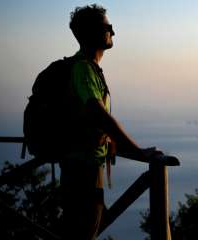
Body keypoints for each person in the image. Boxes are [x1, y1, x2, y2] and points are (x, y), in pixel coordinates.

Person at [60, 4, 160, 240]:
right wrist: (135, 150)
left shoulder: (89, 68)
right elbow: (99, 115)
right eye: (108, 27)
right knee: (83, 233)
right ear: (92, 32)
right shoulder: (83, 69)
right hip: (82, 170)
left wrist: (110, 141)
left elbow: (91, 118)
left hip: (80, 167)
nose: (113, 32)